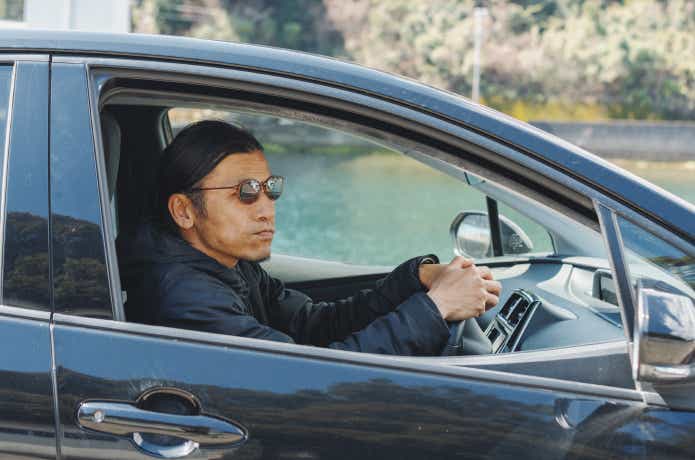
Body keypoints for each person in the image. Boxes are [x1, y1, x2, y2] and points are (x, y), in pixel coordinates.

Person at [118, 120, 501, 356]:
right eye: (246, 192)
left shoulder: (227, 263)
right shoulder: (185, 298)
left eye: (270, 189)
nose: (267, 209)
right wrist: (436, 308)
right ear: (184, 211)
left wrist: (417, 278)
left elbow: (314, 324)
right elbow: (318, 375)